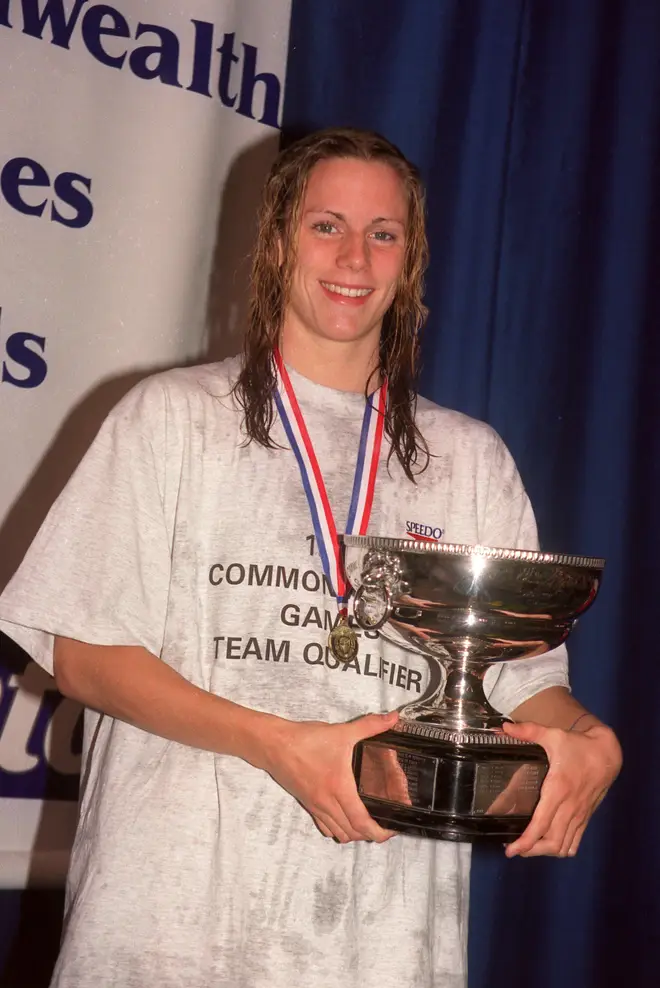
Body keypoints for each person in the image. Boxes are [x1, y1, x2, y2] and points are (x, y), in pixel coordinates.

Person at [0, 128, 621, 988]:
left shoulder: (469, 457)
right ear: (277, 240)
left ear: (412, 259)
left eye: (384, 233)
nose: (355, 258)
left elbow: (518, 681)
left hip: (382, 937)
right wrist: (279, 744)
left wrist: (590, 741)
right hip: (169, 927)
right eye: (327, 225)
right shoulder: (172, 418)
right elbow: (81, 655)